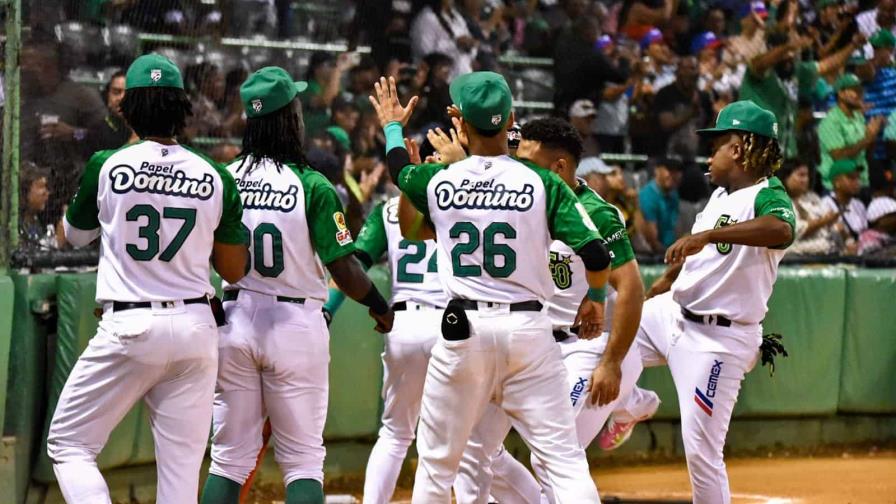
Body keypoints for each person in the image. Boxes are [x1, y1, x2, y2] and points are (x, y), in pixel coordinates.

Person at [369, 72, 611, 503]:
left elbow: (398, 170)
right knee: (563, 461)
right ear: (511, 119)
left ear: (459, 123)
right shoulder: (543, 182)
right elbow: (596, 254)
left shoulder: (441, 180)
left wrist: (392, 126)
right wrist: (594, 300)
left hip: (465, 332)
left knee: (437, 464)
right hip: (530, 332)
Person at [46, 53, 249, 504]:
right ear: (182, 107)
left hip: (131, 327)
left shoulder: (108, 164)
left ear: (127, 107)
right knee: (179, 479)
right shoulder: (215, 174)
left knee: (70, 444)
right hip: (197, 329)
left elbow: (71, 237)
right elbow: (235, 269)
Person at [200, 67, 393, 504]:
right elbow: (344, 271)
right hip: (293, 322)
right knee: (303, 460)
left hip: (233, 319)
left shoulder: (222, 176)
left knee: (228, 460)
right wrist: (380, 305)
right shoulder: (310, 184)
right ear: (289, 118)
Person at [452, 118, 659, 503]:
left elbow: (631, 288)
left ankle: (627, 394)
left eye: (528, 161)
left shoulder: (597, 213)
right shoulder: (523, 201)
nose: (518, 168)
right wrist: (472, 128)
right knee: (475, 448)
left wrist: (611, 363)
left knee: (554, 459)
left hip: (584, 347)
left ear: (559, 167)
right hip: (531, 345)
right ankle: (632, 401)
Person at [639, 100, 795, 504]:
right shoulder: (720, 196)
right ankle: (630, 404)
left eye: (717, 145)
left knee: (702, 454)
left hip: (718, 342)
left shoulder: (767, 193)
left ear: (740, 147)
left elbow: (781, 229)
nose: (709, 155)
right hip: (673, 314)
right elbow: (700, 254)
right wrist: (666, 281)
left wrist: (705, 238)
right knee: (608, 334)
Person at [347, 193, 447, 504]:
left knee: (394, 434)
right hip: (454, 324)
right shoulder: (463, 194)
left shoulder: (388, 208)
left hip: (403, 323)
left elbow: (354, 266)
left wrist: (376, 307)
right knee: (452, 438)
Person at [740, 28, 863, 158]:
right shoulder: (759, 71)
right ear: (772, 50)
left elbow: (827, 65)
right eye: (787, 53)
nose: (791, 56)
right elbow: (761, 63)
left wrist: (853, 45)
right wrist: (789, 46)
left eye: (794, 53)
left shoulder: (797, 71)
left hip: (785, 152)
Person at [817, 73, 886, 189]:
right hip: (837, 188)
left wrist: (873, 136)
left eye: (861, 91)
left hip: (861, 182)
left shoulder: (858, 117)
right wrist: (867, 139)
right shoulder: (830, 122)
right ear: (841, 94)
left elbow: (865, 153)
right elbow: (839, 157)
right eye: (855, 91)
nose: (860, 95)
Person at [653, 56, 714, 158]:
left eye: (693, 69)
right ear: (678, 71)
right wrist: (691, 112)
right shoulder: (665, 94)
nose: (690, 73)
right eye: (686, 69)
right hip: (669, 156)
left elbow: (708, 128)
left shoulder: (703, 97)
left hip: (697, 157)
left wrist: (719, 115)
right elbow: (666, 124)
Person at [777, 160, 842, 255]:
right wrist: (824, 221)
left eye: (807, 175)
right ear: (786, 177)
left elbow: (831, 227)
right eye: (801, 175)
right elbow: (794, 232)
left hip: (823, 251)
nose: (806, 180)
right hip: (792, 256)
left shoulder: (812, 198)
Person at [410, 0, 478, 79]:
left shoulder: (457, 17)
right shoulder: (426, 18)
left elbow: (471, 49)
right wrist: (455, 44)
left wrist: (470, 45)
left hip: (463, 76)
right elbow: (425, 52)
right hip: (437, 80)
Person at [861, 29, 896, 162]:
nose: (875, 52)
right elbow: (866, 72)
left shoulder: (893, 76)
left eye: (878, 48)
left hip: (890, 148)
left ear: (890, 49)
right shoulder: (861, 74)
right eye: (873, 48)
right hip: (865, 147)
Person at [822, 158, 869, 254]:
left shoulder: (859, 205)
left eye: (858, 178)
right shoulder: (825, 204)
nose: (856, 182)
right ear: (836, 182)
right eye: (851, 178)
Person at [640, 157, 684, 253]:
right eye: (669, 170)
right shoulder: (648, 196)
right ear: (657, 171)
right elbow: (653, 241)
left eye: (677, 171)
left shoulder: (673, 194)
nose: (673, 175)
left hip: (672, 248)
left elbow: (675, 228)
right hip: (655, 255)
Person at [87, 70, 134, 153]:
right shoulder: (97, 131)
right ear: (107, 96)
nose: (122, 98)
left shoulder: (151, 131)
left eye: (129, 93)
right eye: (116, 92)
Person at [18, 161, 62, 251]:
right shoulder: (11, 226)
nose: (47, 193)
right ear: (24, 191)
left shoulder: (34, 220)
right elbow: (25, 258)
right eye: (41, 186)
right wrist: (57, 241)